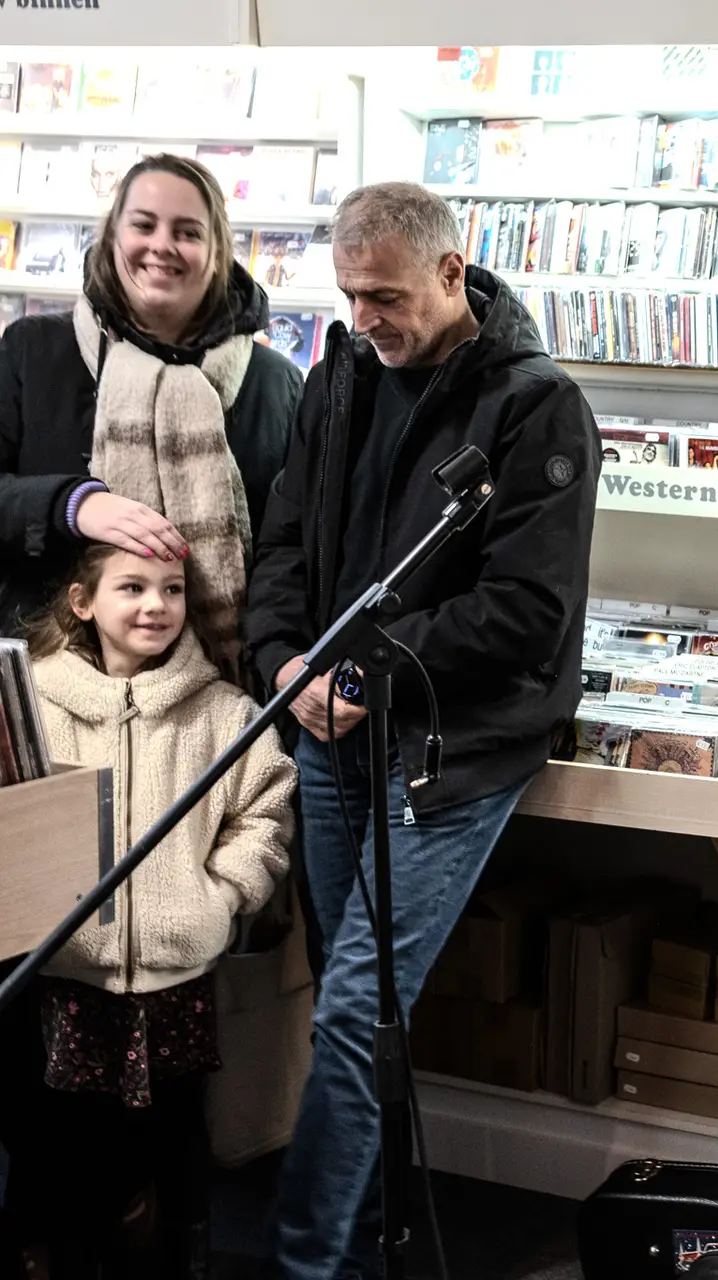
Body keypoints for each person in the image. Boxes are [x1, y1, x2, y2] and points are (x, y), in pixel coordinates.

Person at [243, 182, 599, 1278]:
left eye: (386, 296)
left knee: (357, 1010)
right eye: (349, 296)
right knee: (355, 1018)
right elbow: (288, 546)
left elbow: (529, 610)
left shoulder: (537, 406)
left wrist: (372, 667)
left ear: (453, 273)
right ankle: (352, 1257)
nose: (366, 319)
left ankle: (303, 1261)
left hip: (449, 750)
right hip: (331, 728)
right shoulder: (338, 375)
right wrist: (285, 661)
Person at [6, 544, 293, 1278]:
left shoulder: (225, 714)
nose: (154, 605)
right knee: (66, 1154)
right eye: (130, 587)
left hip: (177, 987)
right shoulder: (34, 700)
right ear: (81, 603)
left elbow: (263, 817)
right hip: (68, 979)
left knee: (171, 1153)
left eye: (171, 589)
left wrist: (222, 895)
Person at [0, 153, 302, 658]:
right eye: (144, 225)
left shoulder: (276, 386)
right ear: (114, 235)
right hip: (44, 678)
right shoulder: (32, 352)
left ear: (218, 251)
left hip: (219, 693)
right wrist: (73, 507)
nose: (162, 245)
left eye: (187, 232)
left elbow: (290, 554)